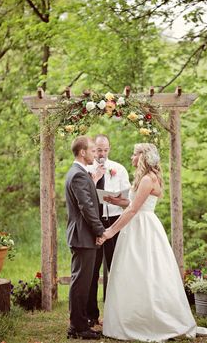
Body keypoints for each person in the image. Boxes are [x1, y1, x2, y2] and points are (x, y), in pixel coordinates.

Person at [97, 143, 207, 342]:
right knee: (138, 271)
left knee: (144, 270)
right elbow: (134, 203)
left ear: (142, 157)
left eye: (134, 154)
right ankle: (135, 315)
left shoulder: (146, 179)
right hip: (142, 224)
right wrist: (119, 202)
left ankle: (147, 320)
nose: (132, 157)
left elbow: (134, 210)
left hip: (142, 228)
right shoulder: (149, 178)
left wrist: (110, 231)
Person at [87, 134, 131, 327]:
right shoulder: (87, 169)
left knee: (117, 268)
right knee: (92, 270)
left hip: (115, 221)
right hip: (94, 223)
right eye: (98, 150)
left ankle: (118, 314)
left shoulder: (119, 169)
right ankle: (91, 315)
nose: (101, 153)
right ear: (93, 150)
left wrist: (116, 200)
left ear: (109, 149)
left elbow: (128, 200)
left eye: (105, 149)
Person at [65, 135, 105, 340]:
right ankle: (79, 327)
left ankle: (76, 324)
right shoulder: (79, 175)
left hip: (81, 236)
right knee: (81, 282)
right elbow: (87, 208)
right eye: (91, 150)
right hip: (83, 236)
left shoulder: (78, 173)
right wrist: (100, 231)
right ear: (82, 152)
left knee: (79, 280)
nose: (95, 154)